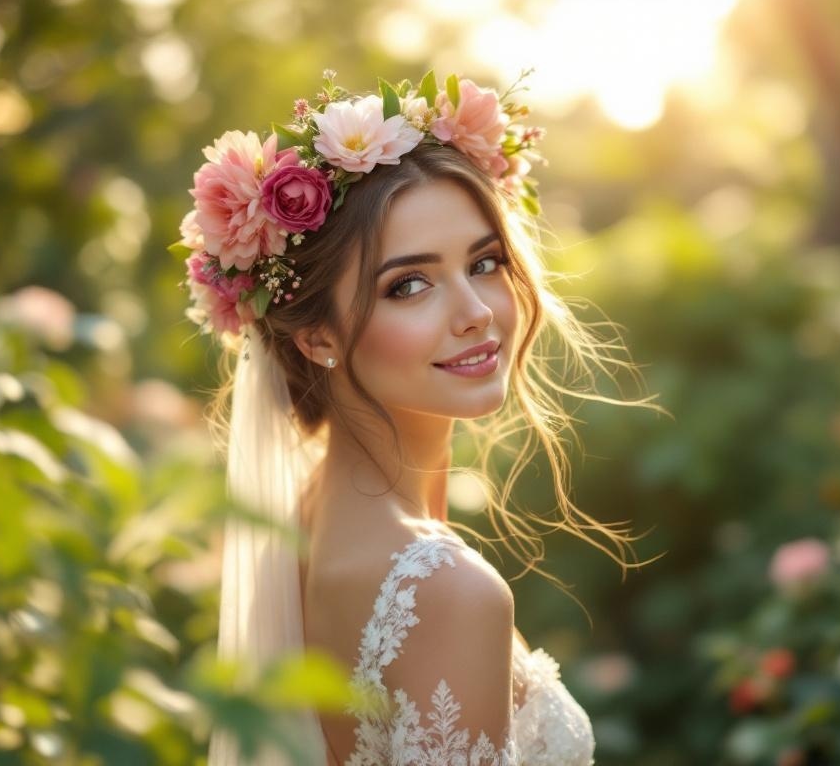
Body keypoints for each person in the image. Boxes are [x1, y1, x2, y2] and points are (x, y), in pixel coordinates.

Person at [175, 69, 661, 766]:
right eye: (409, 284)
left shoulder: (305, 520)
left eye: (485, 263)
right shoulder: (446, 593)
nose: (474, 312)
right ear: (317, 338)